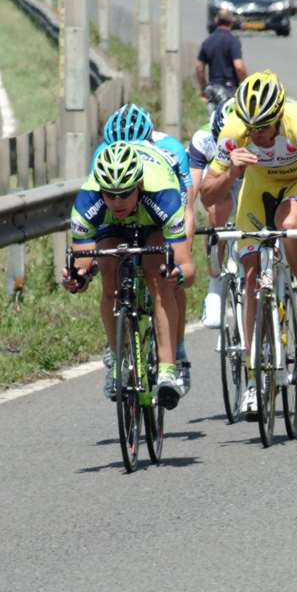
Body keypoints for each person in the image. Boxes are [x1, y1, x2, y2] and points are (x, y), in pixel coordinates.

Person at [199, 71, 297, 416]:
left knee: (289, 228)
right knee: (252, 277)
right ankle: (255, 380)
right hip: (256, 191)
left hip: (294, 186)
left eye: (265, 128)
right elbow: (208, 195)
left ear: (279, 116)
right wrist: (231, 172)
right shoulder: (234, 131)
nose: (259, 136)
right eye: (253, 130)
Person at [64, 140, 196, 407]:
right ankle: (118, 362)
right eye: (110, 194)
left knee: (158, 278)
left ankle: (168, 368)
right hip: (111, 229)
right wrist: (77, 279)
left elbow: (188, 269)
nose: (117, 201)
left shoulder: (163, 194)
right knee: (109, 279)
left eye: (124, 193)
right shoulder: (87, 201)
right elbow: (84, 263)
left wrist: (177, 274)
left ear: (139, 186)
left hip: (154, 221)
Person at [95, 103, 195, 390]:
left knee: (163, 278)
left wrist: (180, 261)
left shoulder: (171, 151)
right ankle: (117, 352)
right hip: (119, 214)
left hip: (159, 210)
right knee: (108, 273)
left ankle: (177, 351)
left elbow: (185, 210)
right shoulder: (103, 157)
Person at [196, 8, 246, 93]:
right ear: (231, 23)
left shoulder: (208, 41)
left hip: (213, 89)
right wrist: (246, 83)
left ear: (216, 21)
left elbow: (199, 68)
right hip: (230, 89)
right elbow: (239, 66)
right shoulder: (233, 41)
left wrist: (203, 88)